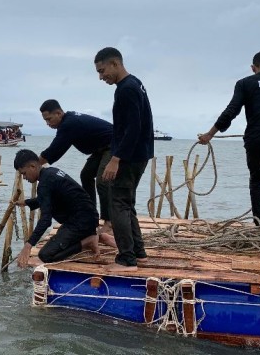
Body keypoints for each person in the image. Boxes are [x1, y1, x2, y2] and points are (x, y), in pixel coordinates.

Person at [198, 51, 260, 254]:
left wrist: (210, 134)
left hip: (254, 140)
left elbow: (231, 111)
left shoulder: (245, 83)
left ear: (253, 68)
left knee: (256, 181)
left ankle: (259, 226)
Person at [94, 47, 154, 272]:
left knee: (116, 203)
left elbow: (132, 128)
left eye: (102, 71)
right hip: (140, 154)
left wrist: (115, 158)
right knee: (126, 204)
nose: (101, 77)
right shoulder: (135, 83)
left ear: (114, 64)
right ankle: (139, 254)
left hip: (129, 156)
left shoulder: (126, 89)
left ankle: (126, 259)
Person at [12, 149, 100, 268]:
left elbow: (46, 220)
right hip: (88, 217)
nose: (24, 178)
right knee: (59, 238)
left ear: (32, 166)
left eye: (24, 173)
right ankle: (92, 234)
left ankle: (88, 240)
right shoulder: (51, 173)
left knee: (46, 255)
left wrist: (28, 246)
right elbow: (47, 199)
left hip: (80, 222)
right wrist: (26, 202)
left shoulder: (44, 184)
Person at [38, 99, 114, 233]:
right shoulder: (68, 121)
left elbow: (55, 149)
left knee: (103, 181)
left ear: (59, 113)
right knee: (86, 175)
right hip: (100, 149)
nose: (48, 124)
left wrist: (34, 165)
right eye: (45, 121)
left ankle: (109, 222)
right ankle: (91, 217)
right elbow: (57, 148)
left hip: (114, 145)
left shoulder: (69, 124)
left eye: (49, 119)